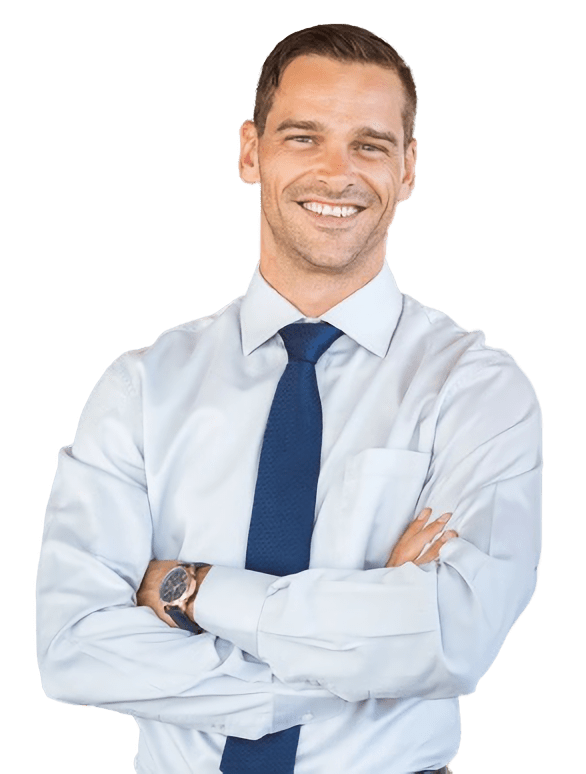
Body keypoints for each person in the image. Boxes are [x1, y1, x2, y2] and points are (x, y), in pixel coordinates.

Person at [35, 22, 542, 774]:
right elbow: (74, 649)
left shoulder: (476, 388)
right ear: (251, 152)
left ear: (407, 170)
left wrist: (189, 590)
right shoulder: (143, 385)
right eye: (303, 137)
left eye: (369, 145)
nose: (337, 173)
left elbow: (451, 639)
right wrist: (365, 649)